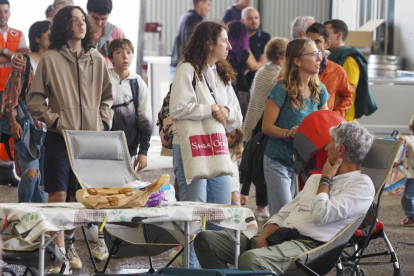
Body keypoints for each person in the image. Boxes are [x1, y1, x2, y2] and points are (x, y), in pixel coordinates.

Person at [194, 121, 375, 274]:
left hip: (311, 248)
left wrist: (326, 179)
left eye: (330, 143)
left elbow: (321, 214)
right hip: (280, 236)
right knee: (205, 240)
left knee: (251, 260)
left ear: (341, 149)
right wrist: (265, 235)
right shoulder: (315, 179)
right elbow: (285, 211)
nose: (326, 147)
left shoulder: (361, 186)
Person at [27, 6, 113, 274]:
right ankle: (57, 252)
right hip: (59, 138)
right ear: (65, 25)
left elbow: (107, 98)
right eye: (75, 20)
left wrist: (102, 122)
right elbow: (35, 99)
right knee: (58, 193)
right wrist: (55, 121)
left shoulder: (97, 59)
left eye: (83, 20)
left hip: (88, 141)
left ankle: (70, 243)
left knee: (79, 197)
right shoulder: (50, 59)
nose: (81, 24)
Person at [170, 21, 242, 268]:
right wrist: (211, 109)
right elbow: (177, 109)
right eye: (224, 41)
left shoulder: (221, 73)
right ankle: (190, 269)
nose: (229, 46)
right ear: (209, 43)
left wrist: (224, 111)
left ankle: (215, 269)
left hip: (217, 148)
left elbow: (237, 117)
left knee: (217, 215)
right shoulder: (187, 70)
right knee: (195, 214)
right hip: (190, 147)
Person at [87, 38, 153, 262]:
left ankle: (113, 238)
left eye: (128, 52)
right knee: (102, 192)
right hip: (102, 145)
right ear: (110, 56)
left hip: (128, 149)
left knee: (121, 195)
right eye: (119, 52)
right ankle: (99, 237)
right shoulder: (103, 78)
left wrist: (143, 150)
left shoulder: (138, 83)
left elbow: (145, 118)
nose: (125, 56)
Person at [262, 37, 329, 216]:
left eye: (319, 53)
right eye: (313, 54)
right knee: (283, 215)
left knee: (300, 215)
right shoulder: (281, 89)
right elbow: (266, 127)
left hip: (304, 163)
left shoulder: (320, 90)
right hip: (278, 159)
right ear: (297, 61)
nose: (319, 58)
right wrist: (288, 133)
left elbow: (326, 124)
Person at [0, 20, 51, 203]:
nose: (52, 35)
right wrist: (13, 122)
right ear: (37, 38)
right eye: (48, 32)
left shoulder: (55, 62)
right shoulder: (25, 62)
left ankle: (37, 224)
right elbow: (10, 95)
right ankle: (23, 213)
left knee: (44, 179)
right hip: (28, 126)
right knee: (31, 172)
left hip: (50, 127)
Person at [242, 36, 289, 221]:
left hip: (251, 124)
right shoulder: (277, 75)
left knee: (258, 166)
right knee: (264, 168)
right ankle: (262, 208)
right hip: (262, 127)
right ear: (281, 57)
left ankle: (261, 207)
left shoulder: (261, 70)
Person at [0, 0, 30, 187]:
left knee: (10, 129)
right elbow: (17, 55)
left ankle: (6, 169)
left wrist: (5, 52)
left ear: (10, 13)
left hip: (11, 90)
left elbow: (24, 55)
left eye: (5, 11)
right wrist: (12, 54)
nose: (2, 15)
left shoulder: (18, 34)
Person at [324, 19, 377, 121]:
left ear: (339, 35)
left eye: (326, 33)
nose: (323, 37)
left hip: (343, 120)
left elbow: (349, 91)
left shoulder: (349, 59)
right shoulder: (330, 58)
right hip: (330, 117)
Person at [306, 23, 353, 117]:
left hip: (325, 124)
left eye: (317, 41)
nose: (313, 46)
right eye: (309, 42)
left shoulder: (337, 71)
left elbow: (347, 96)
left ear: (327, 44)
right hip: (297, 125)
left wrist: (335, 115)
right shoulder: (295, 66)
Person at [227, 20, 259, 119]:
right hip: (241, 91)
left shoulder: (224, 51)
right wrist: (246, 47)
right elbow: (254, 66)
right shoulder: (243, 52)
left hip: (226, 90)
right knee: (240, 122)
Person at [170, 0, 211, 70]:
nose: (209, 9)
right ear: (200, 4)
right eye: (208, 5)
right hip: (184, 68)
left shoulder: (184, 17)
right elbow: (191, 45)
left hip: (177, 65)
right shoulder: (194, 20)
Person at [87, 0, 126, 68]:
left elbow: (123, 62)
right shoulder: (80, 32)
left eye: (104, 19)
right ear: (88, 12)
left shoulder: (117, 33)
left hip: (109, 77)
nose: (99, 23)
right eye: (95, 18)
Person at [241, 7, 270, 89]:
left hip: (256, 80)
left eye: (256, 18)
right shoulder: (238, 37)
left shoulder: (265, 37)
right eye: (250, 18)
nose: (254, 21)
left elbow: (262, 62)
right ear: (243, 21)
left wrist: (252, 67)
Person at [395, 115, 414, 226]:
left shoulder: (412, 140)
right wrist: (399, 163)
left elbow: (405, 139)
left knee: (407, 197)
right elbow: (410, 158)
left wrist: (398, 136)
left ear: (409, 127)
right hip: (411, 173)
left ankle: (411, 216)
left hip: (412, 176)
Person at [227, 128, 243, 206]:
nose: (227, 139)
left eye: (232, 137)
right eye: (225, 135)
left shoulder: (238, 151)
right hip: (221, 188)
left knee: (235, 214)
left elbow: (243, 168)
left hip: (234, 189)